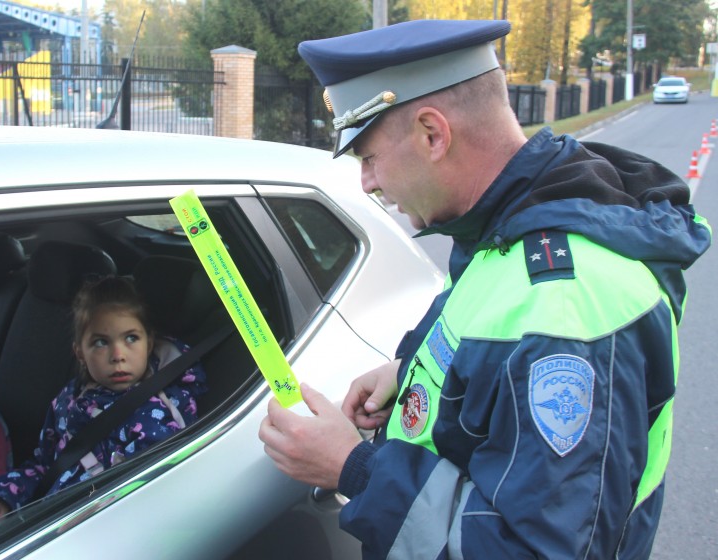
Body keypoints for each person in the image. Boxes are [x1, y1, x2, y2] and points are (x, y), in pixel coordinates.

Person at [258, 19, 712, 559]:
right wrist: (406, 375)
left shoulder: (566, 304)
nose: (368, 183)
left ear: (433, 134)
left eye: (369, 157)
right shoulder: (507, 224)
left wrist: (355, 468)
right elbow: (492, 345)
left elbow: (537, 549)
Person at [0, 275, 207, 525]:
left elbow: (145, 499)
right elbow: (44, 467)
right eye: (101, 342)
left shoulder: (157, 413)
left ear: (149, 343)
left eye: (131, 338)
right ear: (80, 353)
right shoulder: (68, 400)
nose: (118, 355)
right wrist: (2, 495)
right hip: (46, 521)